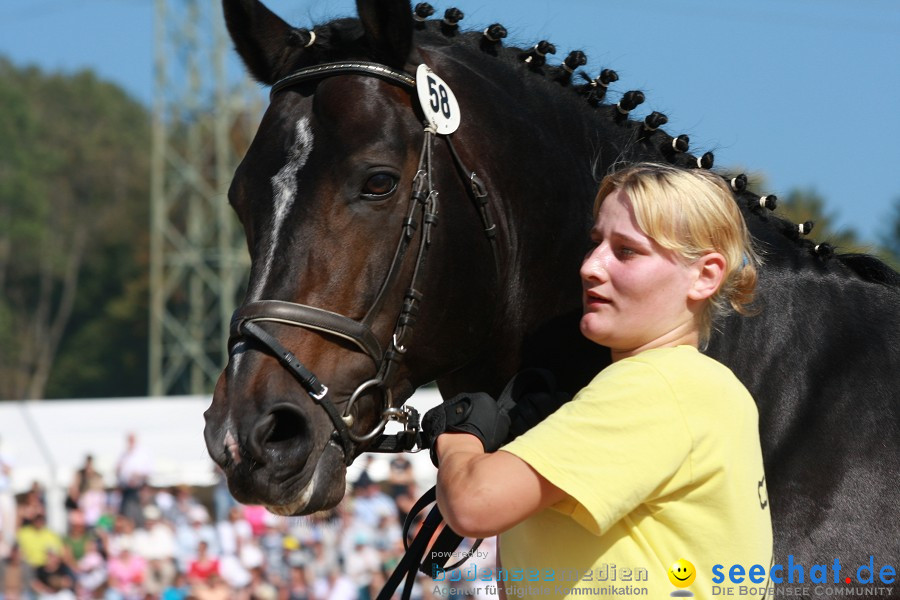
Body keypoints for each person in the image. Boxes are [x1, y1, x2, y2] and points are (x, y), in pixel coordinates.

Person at [427, 163, 772, 598]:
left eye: (626, 251)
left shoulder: (659, 383)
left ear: (705, 276)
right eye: (595, 244)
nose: (591, 267)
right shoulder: (706, 388)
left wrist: (461, 435)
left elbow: (474, 504)